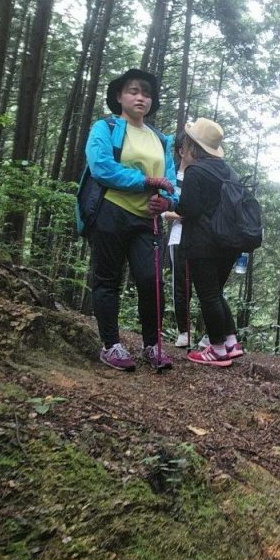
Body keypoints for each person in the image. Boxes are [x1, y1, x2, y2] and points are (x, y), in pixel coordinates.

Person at [84, 68, 176, 372]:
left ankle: (152, 345)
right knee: (107, 279)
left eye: (146, 93)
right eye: (133, 91)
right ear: (119, 96)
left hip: (147, 221)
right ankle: (111, 345)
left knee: (151, 281)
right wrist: (146, 182)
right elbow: (101, 167)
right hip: (110, 211)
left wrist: (166, 201)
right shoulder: (106, 127)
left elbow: (172, 183)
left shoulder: (162, 140)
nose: (140, 97)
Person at [175, 117, 245, 367]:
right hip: (230, 244)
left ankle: (216, 349)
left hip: (203, 244)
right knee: (215, 292)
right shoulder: (229, 171)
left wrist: (172, 204)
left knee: (208, 295)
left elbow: (188, 209)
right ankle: (230, 342)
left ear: (194, 145)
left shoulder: (196, 171)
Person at [164, 134, 204, 348]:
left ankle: (210, 334)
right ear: (181, 151)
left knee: (205, 283)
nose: (196, 153)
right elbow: (164, 210)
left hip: (201, 237)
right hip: (178, 236)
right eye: (192, 148)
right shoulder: (171, 176)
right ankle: (183, 331)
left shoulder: (199, 175)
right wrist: (182, 214)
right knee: (180, 284)